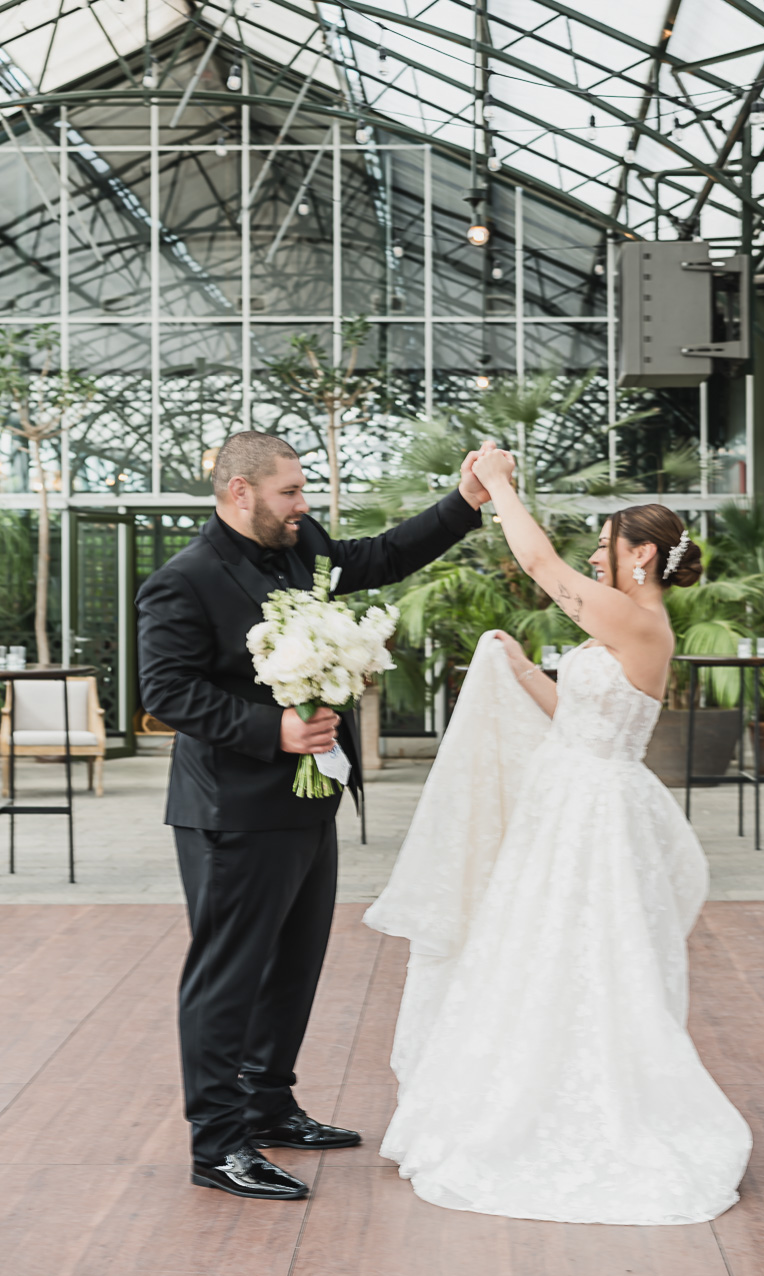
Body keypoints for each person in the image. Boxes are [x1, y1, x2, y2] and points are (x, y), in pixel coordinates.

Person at [365, 449, 752, 1224]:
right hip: (564, 802)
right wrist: (517, 667)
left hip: (597, 817)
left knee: (593, 955)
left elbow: (538, 560)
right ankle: (529, 1081)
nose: (591, 555)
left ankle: (590, 1106)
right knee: (540, 949)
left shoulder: (637, 619)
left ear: (640, 554)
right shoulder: (618, 625)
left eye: (604, 544)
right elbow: (573, 711)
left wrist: (500, 484)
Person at [136, 429, 495, 1200]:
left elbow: (382, 557)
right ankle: (218, 1145)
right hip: (230, 810)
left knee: (295, 963)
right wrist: (275, 731)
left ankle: (268, 1105)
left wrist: (464, 503)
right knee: (226, 977)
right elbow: (166, 692)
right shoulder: (184, 580)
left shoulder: (304, 548)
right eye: (290, 493)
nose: (304, 506)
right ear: (240, 492)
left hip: (310, 796)